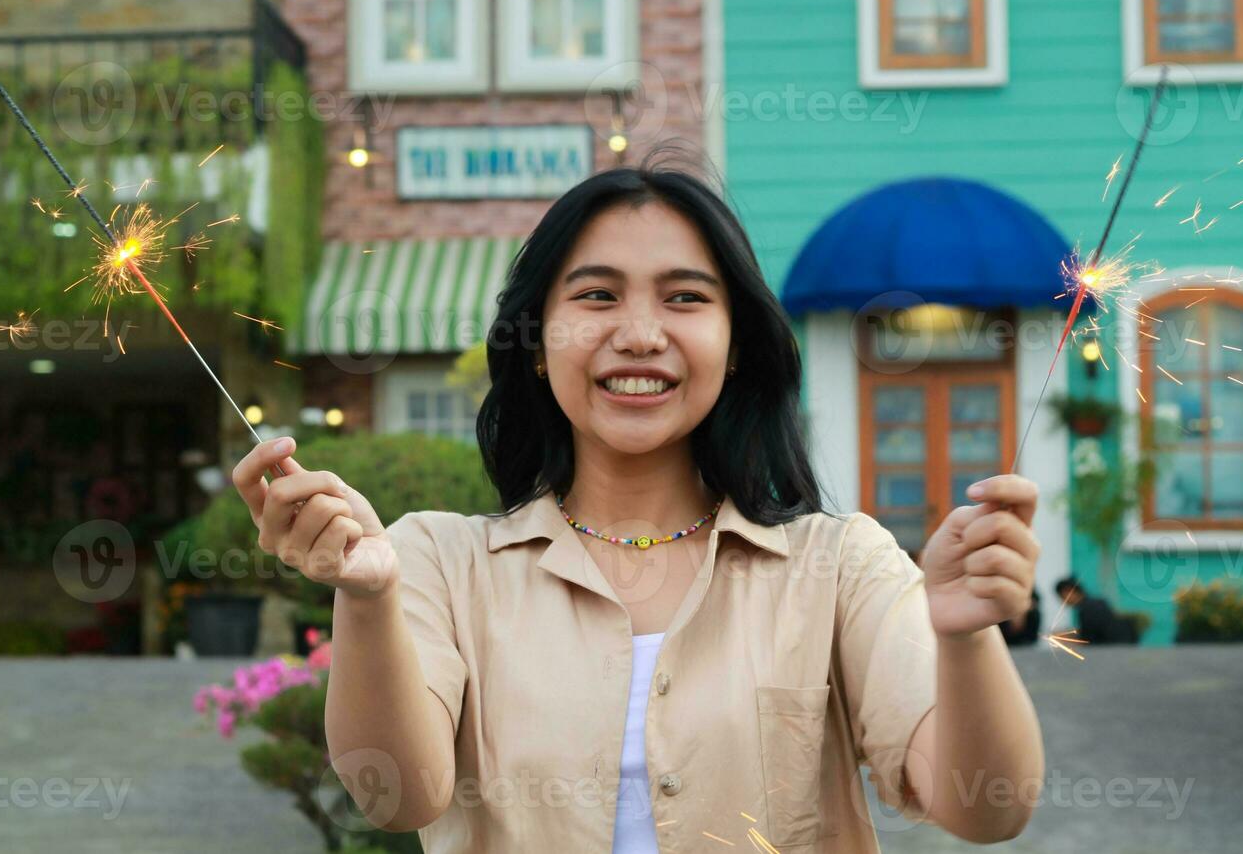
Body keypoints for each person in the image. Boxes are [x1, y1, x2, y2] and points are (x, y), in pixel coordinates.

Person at [231, 156, 1045, 853]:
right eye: (596, 297)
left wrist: (965, 638)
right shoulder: (440, 563)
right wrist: (367, 599)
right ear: (539, 346)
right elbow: (395, 797)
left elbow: (986, 810)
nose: (642, 333)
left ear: (735, 350)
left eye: (686, 298)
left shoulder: (842, 567)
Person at [1054, 576, 1138, 645]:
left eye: (1062, 596)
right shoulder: (1097, 603)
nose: (1062, 601)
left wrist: (1063, 637)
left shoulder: (1087, 609)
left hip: (1110, 650)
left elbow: (1087, 639)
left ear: (1068, 591)